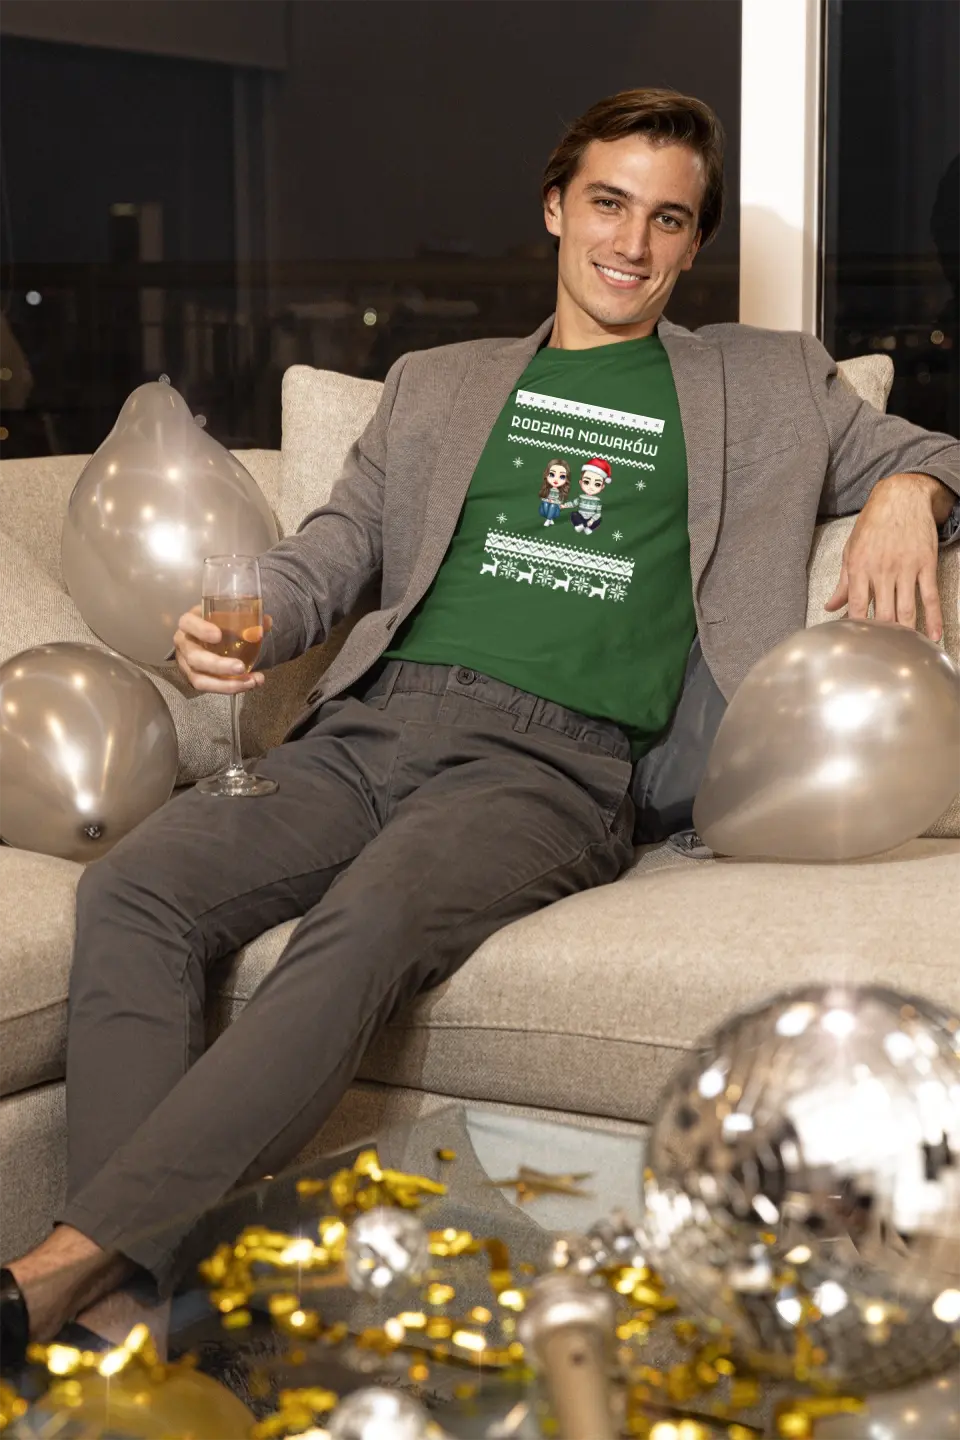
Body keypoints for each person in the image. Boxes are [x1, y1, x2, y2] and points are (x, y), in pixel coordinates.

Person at [3, 86, 960, 1362]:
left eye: (668, 219)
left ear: (693, 244)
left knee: (361, 930)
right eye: (608, 203)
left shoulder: (765, 379)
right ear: (556, 209)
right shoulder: (437, 385)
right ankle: (128, 1311)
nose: (631, 242)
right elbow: (333, 550)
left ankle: (60, 1274)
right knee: (134, 889)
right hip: (370, 728)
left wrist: (907, 492)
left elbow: (938, 448)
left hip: (550, 764)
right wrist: (258, 620)